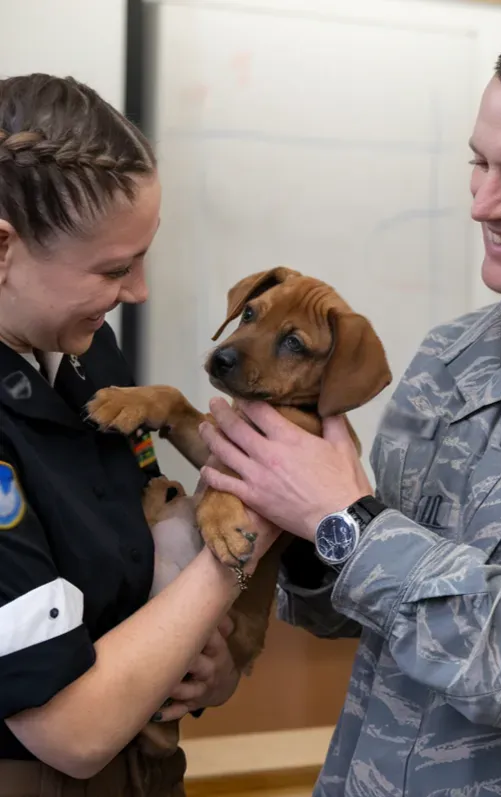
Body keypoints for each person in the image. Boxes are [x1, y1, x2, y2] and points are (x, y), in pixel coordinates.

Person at [197, 33, 501, 797]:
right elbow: (356, 612)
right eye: (477, 163)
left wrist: (345, 519)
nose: (482, 203)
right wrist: (312, 537)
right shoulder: (447, 357)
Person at [0, 74, 277, 797]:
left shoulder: (87, 354)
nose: (140, 292)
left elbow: (128, 556)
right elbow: (72, 732)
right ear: (2, 249)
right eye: (114, 269)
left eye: (143, 256)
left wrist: (204, 668)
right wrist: (254, 529)